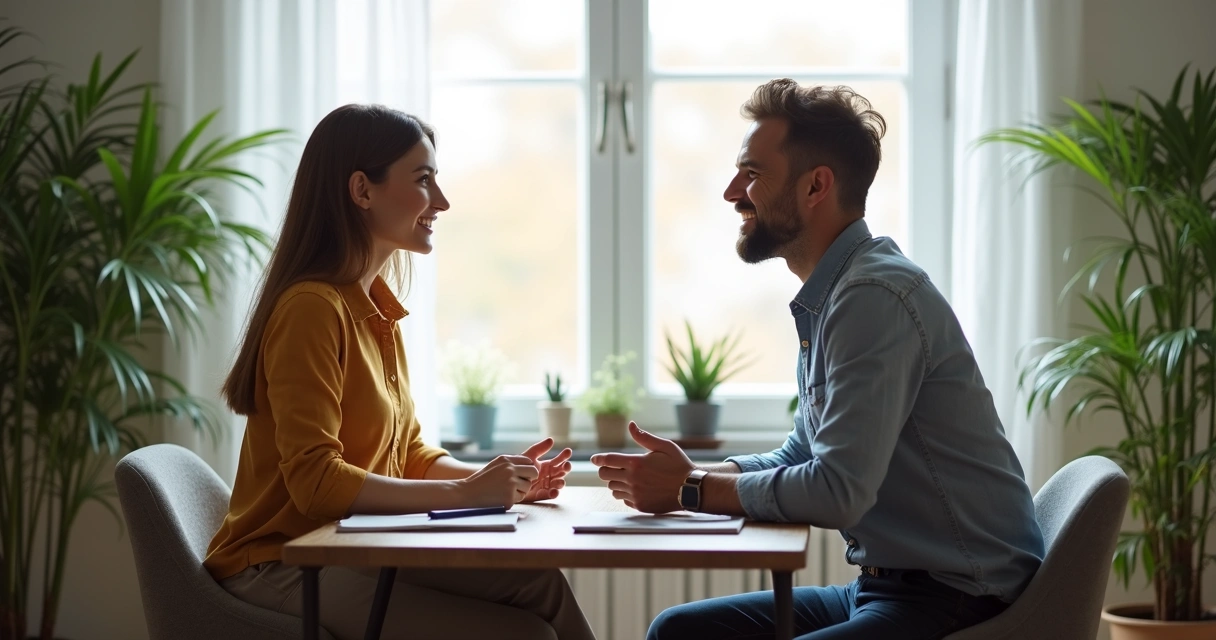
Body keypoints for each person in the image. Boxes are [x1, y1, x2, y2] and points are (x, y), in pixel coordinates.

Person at [591, 79, 1044, 640]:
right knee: (678, 632)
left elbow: (836, 490)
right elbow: (804, 452)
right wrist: (694, 474)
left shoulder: (872, 297)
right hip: (886, 587)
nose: (732, 192)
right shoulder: (836, 295)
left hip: (958, 595)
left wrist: (690, 489)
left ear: (815, 186)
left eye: (751, 173)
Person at [205, 104, 596, 640]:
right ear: (362, 190)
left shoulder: (377, 308)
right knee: (523, 635)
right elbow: (316, 485)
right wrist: (466, 496)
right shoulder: (311, 309)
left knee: (540, 584)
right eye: (423, 179)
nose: (442, 201)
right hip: (284, 561)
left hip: (352, 543)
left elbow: (407, 453)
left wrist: (494, 483)